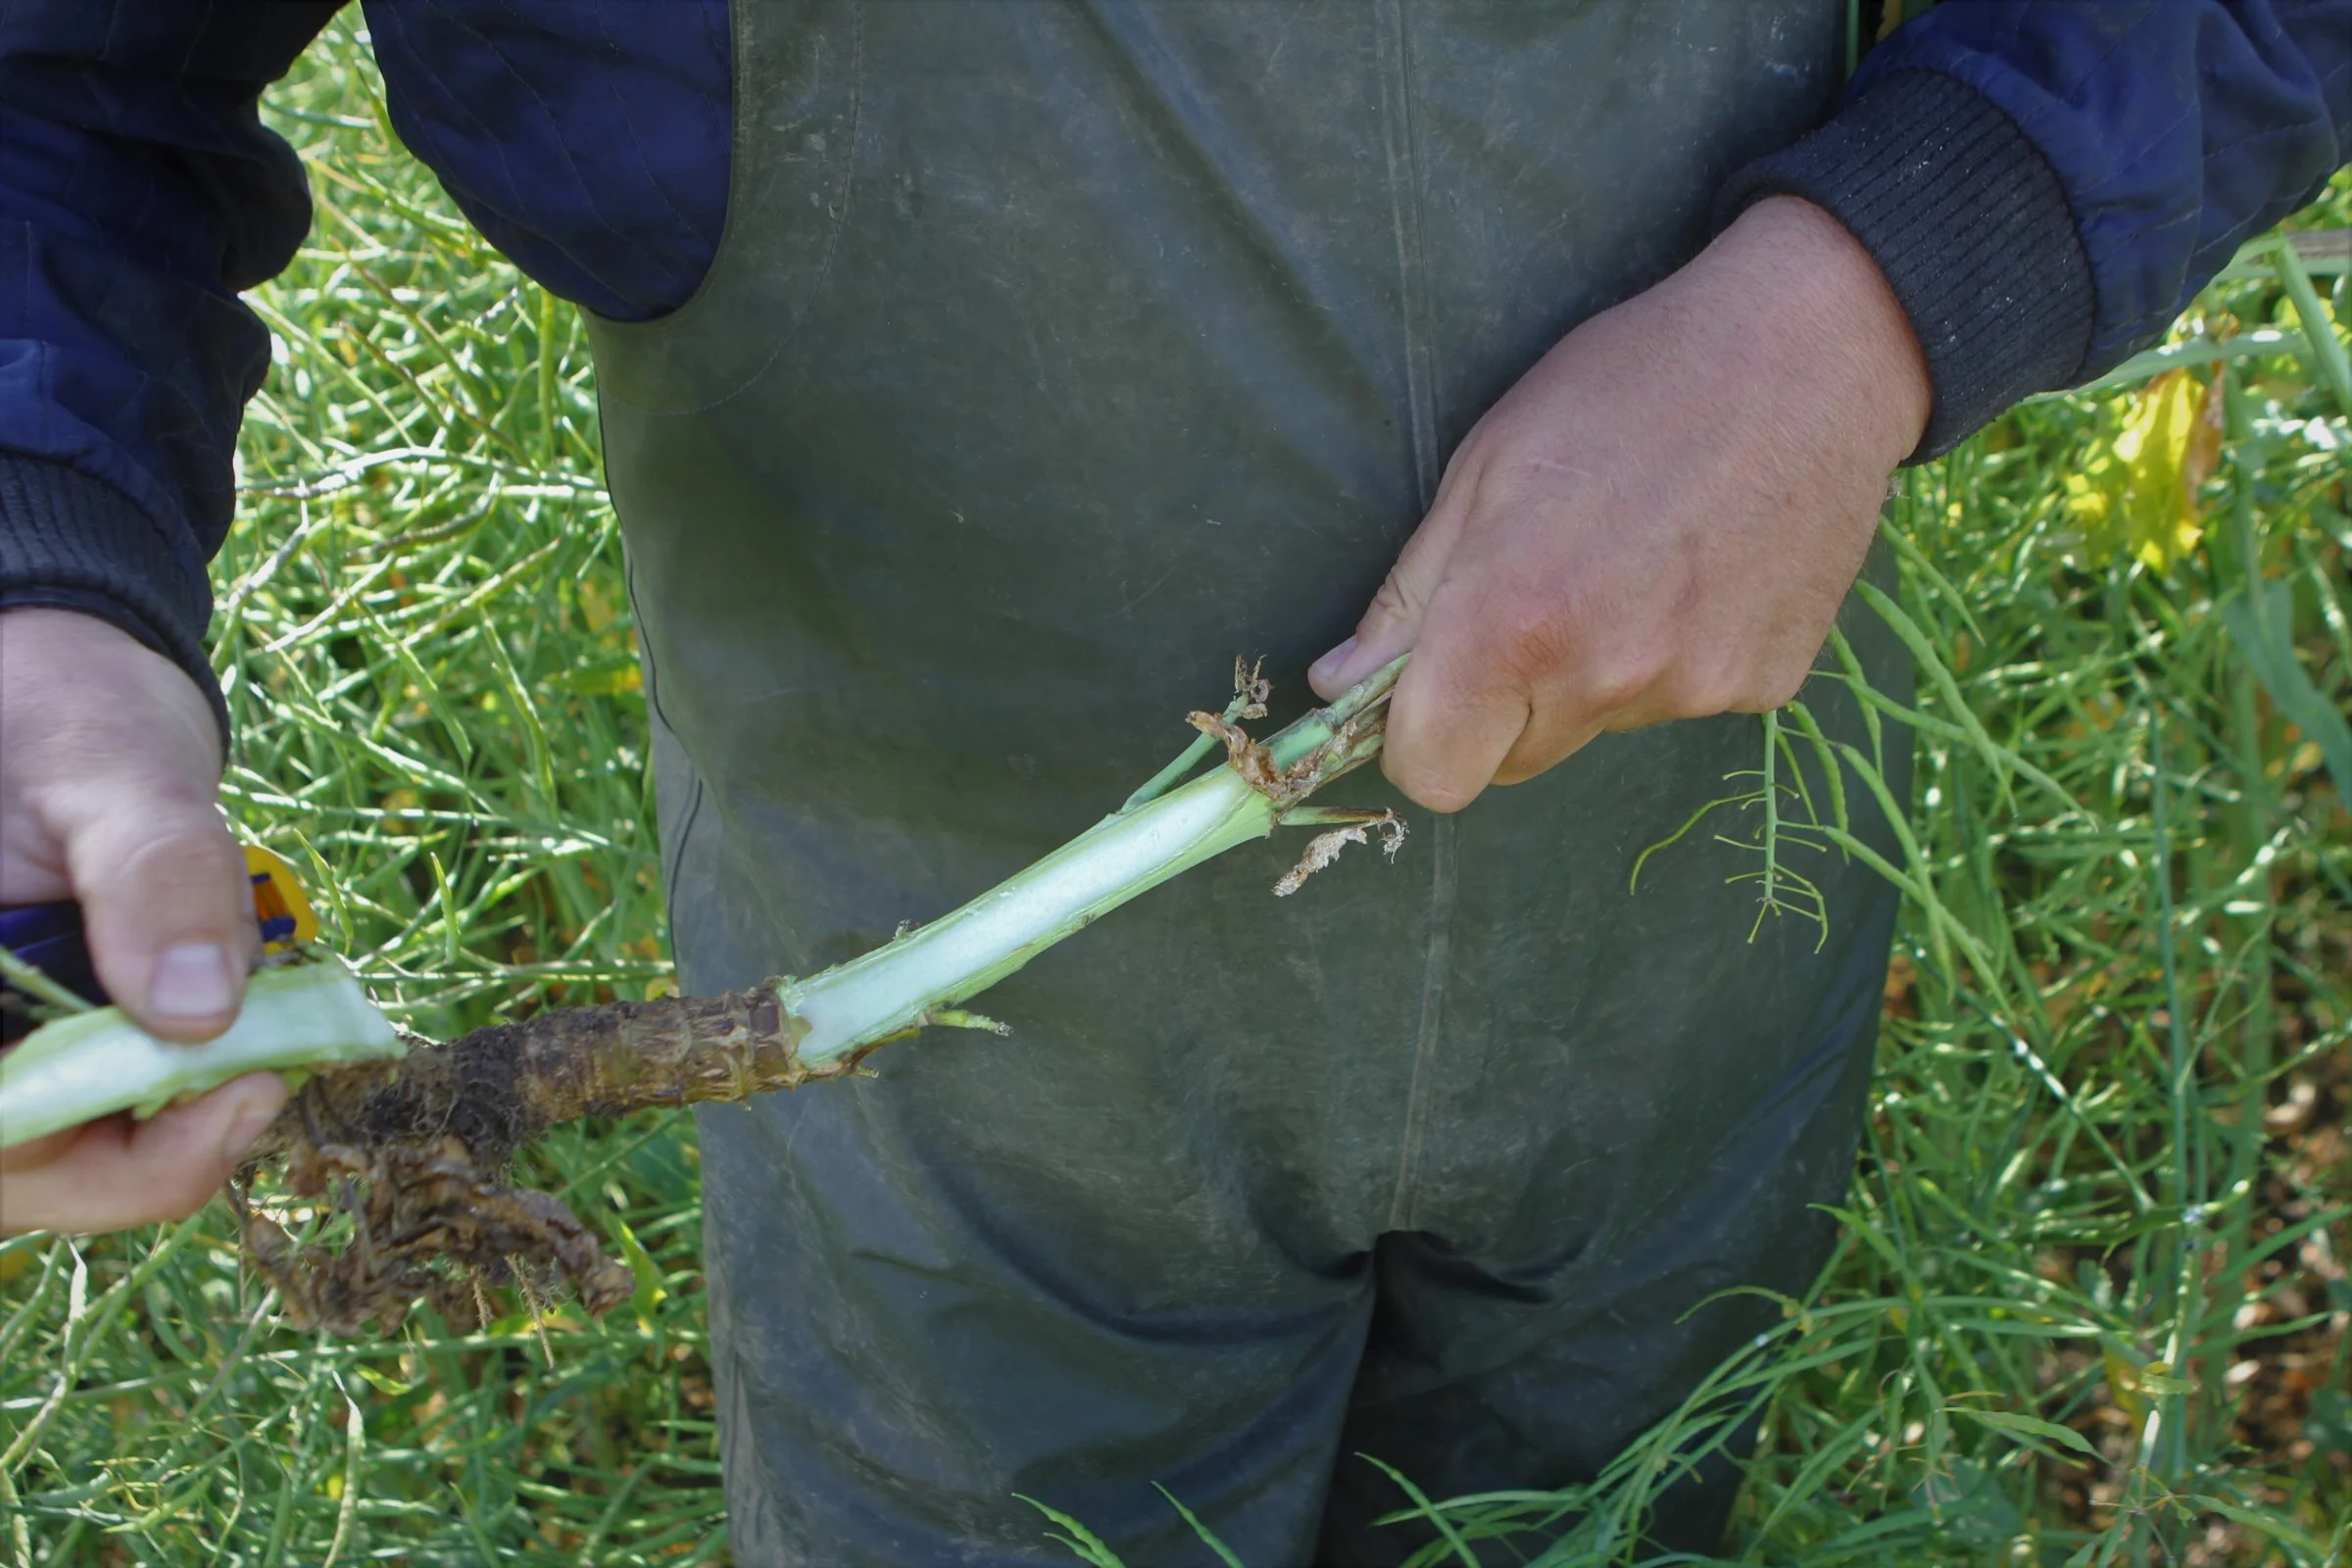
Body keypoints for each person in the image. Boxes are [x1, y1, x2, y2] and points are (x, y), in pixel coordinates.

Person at [1, 2, 2343, 1561]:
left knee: (1618, 1489)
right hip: (934, 1029)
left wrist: (1891, 278)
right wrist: (41, 561)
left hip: (1700, 900)